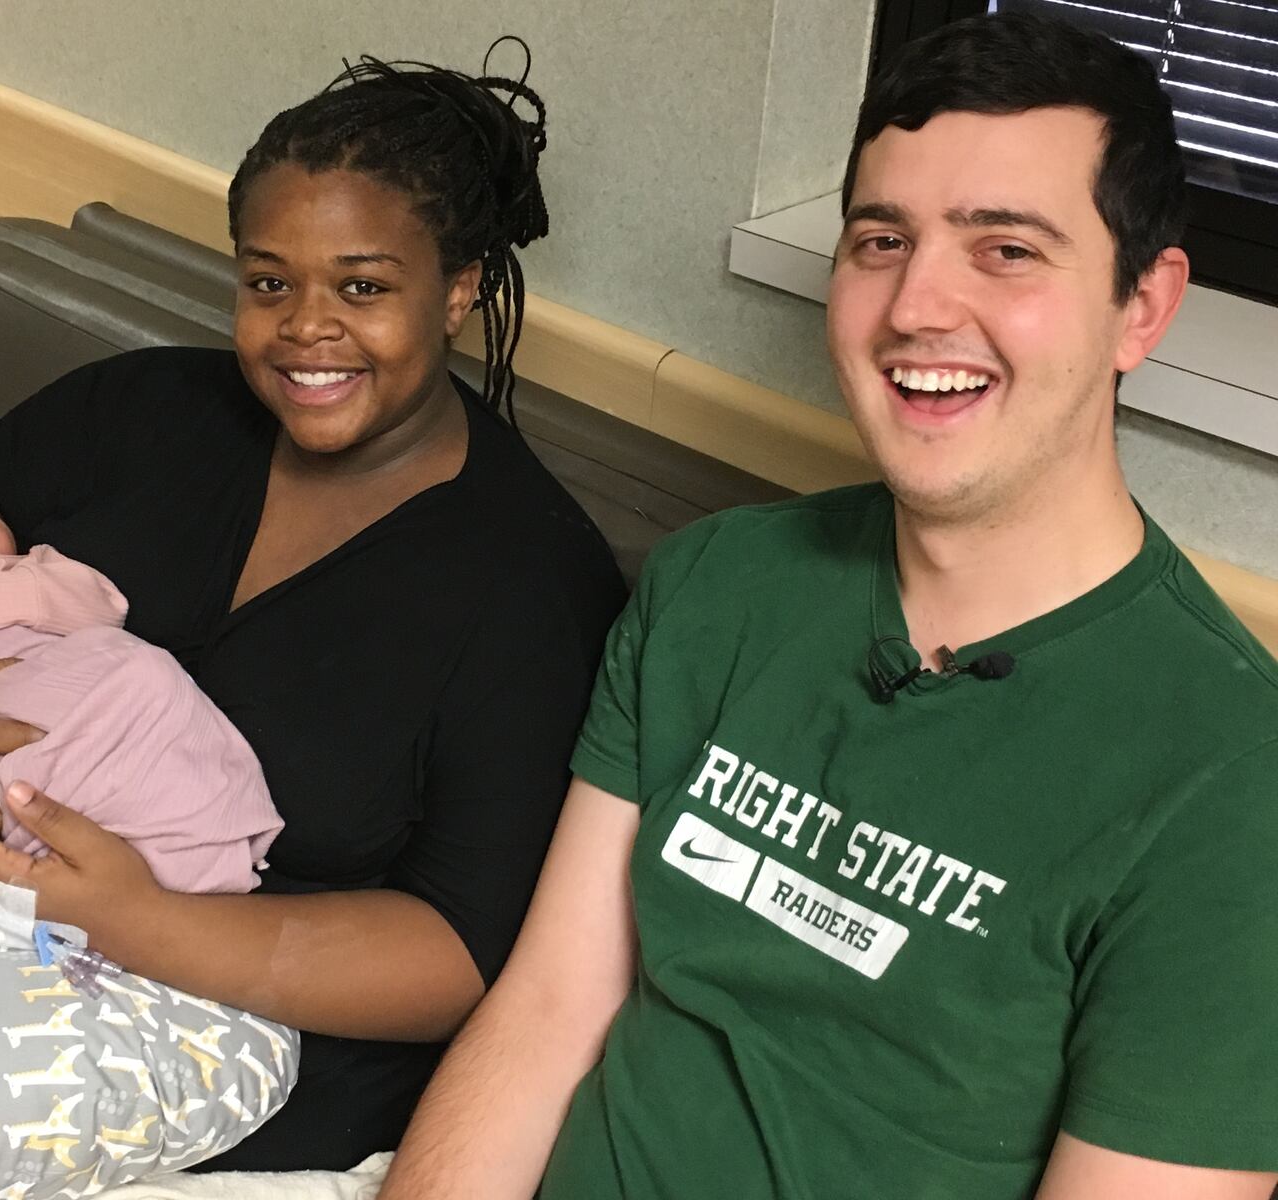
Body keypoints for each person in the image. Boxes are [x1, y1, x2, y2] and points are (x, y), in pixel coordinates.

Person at [380, 13, 1278, 1199]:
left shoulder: (1227, 775)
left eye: (1004, 249)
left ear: (1143, 307)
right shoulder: (716, 586)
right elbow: (548, 1009)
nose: (916, 307)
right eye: (880, 240)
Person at [0, 46, 626, 1172]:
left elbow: (466, 955)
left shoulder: (531, 589)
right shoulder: (133, 413)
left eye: (365, 287)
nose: (305, 330)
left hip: (215, 1057)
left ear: (462, 287)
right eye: (268, 281)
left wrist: (137, 922)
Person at [0, 471, 280, 933]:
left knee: (148, 681)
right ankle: (113, 859)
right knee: (15, 774)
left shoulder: (36, 568)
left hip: (93, 678)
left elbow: (103, 608)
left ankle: (188, 837)